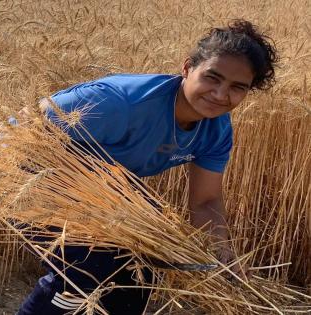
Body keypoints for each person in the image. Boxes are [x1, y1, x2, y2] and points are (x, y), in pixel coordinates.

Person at [16, 19, 278, 314]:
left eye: (237, 87)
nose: (220, 95)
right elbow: (27, 128)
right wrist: (83, 197)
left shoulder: (217, 130)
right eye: (212, 78)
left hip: (103, 189)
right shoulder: (121, 103)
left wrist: (220, 253)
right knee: (85, 270)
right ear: (187, 68)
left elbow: (205, 202)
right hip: (25, 177)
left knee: (145, 266)